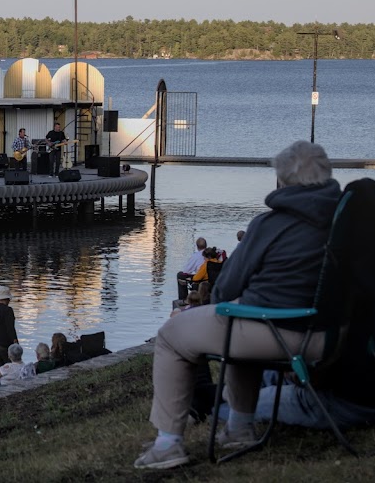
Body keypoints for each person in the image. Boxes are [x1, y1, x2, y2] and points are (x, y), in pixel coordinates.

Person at [135, 140, 340, 470]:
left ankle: (168, 443)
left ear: (282, 181)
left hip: (283, 331)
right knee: (247, 320)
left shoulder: (269, 225)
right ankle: (239, 427)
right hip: (334, 334)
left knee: (172, 335)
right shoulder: (345, 222)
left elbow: (226, 287)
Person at [251, 255, 375, 429]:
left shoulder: (332, 284)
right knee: (263, 376)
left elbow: (314, 379)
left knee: (240, 406)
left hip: (354, 403)